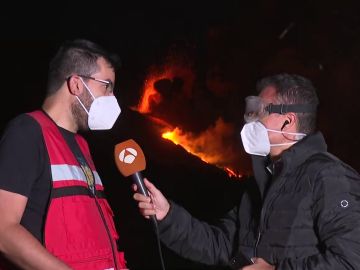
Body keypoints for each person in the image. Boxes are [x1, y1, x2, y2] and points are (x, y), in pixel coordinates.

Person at [133, 73, 360, 269]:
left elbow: (352, 260)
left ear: (288, 122)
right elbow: (221, 245)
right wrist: (167, 216)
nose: (251, 119)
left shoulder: (329, 177)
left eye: (261, 111)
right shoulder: (262, 183)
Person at [0, 39, 127, 269]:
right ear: (76, 85)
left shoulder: (82, 146)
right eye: (106, 86)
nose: (112, 97)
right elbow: (3, 230)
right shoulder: (27, 132)